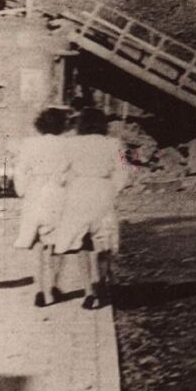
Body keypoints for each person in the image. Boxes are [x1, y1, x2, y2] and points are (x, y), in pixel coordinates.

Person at [52, 108, 130, 310]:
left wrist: (65, 185)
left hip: (79, 193)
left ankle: (89, 291)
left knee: (81, 243)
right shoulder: (115, 144)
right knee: (103, 241)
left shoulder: (70, 145)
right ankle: (102, 282)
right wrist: (114, 188)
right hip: (103, 191)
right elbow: (124, 170)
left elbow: (59, 171)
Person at [12, 107, 70, 307]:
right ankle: (53, 287)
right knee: (56, 243)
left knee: (37, 242)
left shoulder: (29, 144)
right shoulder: (67, 144)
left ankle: (39, 290)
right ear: (63, 125)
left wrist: (22, 191)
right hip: (57, 193)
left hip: (35, 193)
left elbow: (20, 171)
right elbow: (70, 171)